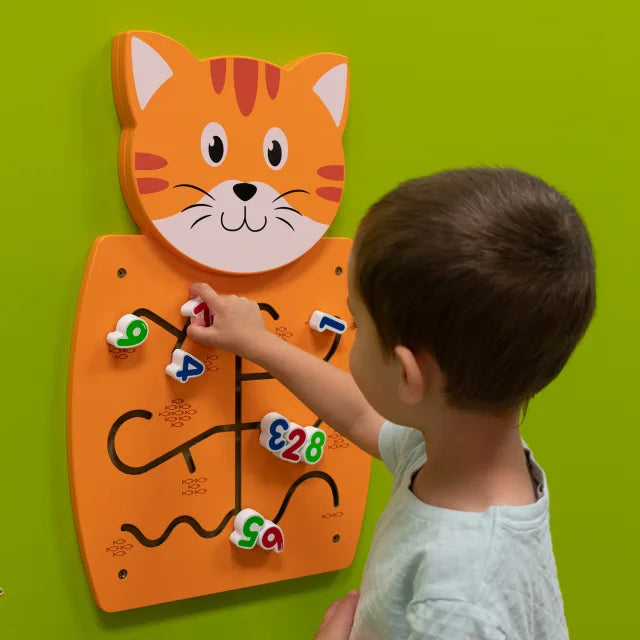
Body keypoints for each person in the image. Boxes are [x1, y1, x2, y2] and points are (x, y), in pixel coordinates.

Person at [187, 168, 595, 639]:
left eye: (356, 324)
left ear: (407, 375)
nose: (351, 334)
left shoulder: (458, 597)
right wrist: (259, 344)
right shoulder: (461, 453)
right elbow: (360, 414)